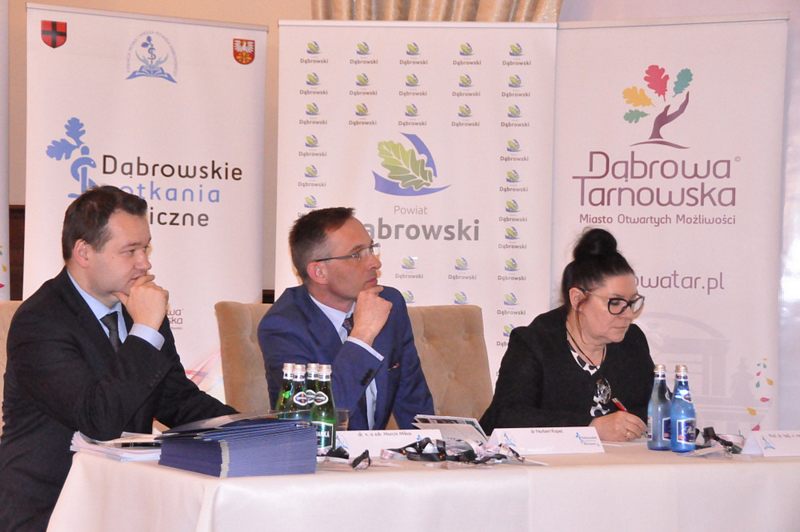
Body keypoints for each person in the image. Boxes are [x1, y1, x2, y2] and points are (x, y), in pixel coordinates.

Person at [0, 186, 235, 531]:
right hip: (51, 509)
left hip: (126, 502)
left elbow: (176, 400)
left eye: (146, 248)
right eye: (130, 251)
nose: (145, 263)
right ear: (84, 252)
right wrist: (144, 329)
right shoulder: (40, 321)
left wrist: (251, 428)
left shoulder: (139, 309)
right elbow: (99, 420)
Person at [258, 207, 433, 430]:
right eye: (356, 255)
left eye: (371, 249)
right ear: (319, 272)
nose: (375, 262)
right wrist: (362, 336)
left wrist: (431, 445)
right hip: (319, 451)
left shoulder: (389, 302)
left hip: (376, 451)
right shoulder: (283, 327)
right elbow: (314, 421)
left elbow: (414, 402)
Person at [480, 228, 653, 441]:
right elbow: (508, 417)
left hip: (617, 460)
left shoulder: (632, 341)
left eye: (632, 302)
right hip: (542, 460)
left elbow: (657, 406)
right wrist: (590, 427)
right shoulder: (533, 343)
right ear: (577, 299)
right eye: (615, 303)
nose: (628, 315)